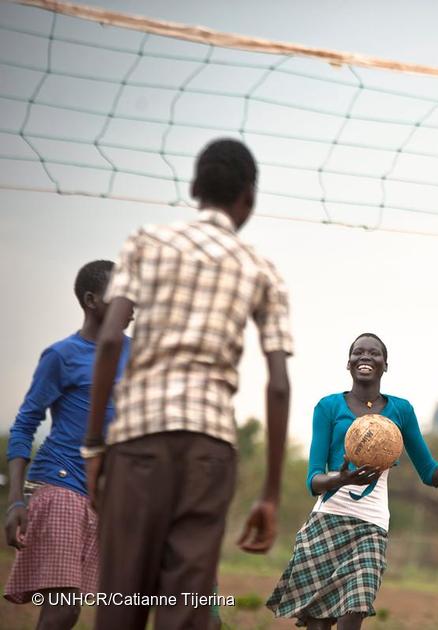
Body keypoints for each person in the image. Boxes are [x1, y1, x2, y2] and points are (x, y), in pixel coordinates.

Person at [83, 138, 294, 630]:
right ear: (250, 198)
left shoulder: (145, 242)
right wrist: (269, 494)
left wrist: (94, 446)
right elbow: (279, 383)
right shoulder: (262, 268)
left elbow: (112, 338)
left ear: (195, 187)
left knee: (121, 600)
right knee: (185, 608)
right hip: (209, 449)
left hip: (138, 441)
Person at [267, 333, 438, 630]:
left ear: (386, 365)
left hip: (371, 527)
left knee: (355, 609)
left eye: (374, 353)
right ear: (348, 363)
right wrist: (340, 479)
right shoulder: (328, 407)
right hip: (327, 522)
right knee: (318, 624)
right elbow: (313, 479)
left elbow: (430, 473)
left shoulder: (401, 411)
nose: (365, 357)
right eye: (358, 352)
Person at [4, 260, 131, 630]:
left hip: (109, 495)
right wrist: (15, 501)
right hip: (61, 484)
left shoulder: (137, 354)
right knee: (64, 607)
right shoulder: (62, 355)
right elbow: (25, 424)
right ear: (92, 300)